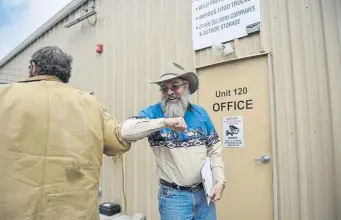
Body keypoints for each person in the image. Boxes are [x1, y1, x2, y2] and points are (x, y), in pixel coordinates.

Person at [0, 46, 131, 220]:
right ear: (66, 73)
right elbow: (119, 142)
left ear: (33, 67)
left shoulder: (4, 95)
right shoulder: (90, 103)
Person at [121, 62, 226, 220]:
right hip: (173, 198)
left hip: (205, 194)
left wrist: (219, 181)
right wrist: (164, 122)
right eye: (164, 88)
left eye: (175, 86)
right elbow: (126, 131)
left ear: (186, 86)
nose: (170, 92)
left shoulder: (201, 114)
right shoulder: (154, 112)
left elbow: (214, 150)